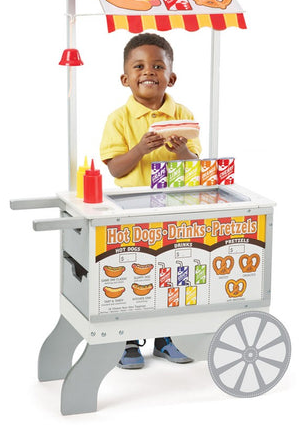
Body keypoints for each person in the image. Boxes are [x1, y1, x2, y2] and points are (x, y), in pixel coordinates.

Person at [100, 32, 201, 369]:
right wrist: (141, 149)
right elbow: (116, 168)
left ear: (171, 77)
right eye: (139, 66)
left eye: (158, 66)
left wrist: (181, 151)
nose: (148, 72)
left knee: (171, 270)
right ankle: (129, 341)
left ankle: (165, 339)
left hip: (173, 207)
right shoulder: (118, 119)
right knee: (132, 272)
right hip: (131, 208)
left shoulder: (182, 113)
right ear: (125, 78)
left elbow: (195, 167)